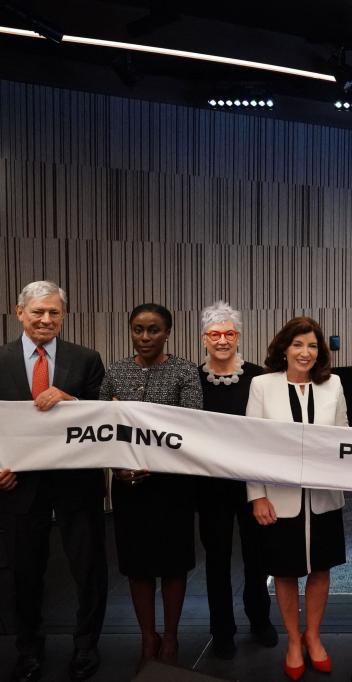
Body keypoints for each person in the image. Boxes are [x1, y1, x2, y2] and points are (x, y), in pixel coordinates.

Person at [0, 281, 107, 682]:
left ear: (63, 315)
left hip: (76, 484)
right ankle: (28, 650)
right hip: (18, 487)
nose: (46, 320)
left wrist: (73, 403)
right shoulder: (1, 359)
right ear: (19, 312)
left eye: (54, 313)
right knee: (25, 574)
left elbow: (103, 417)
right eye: (38, 312)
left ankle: (86, 646)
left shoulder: (86, 359)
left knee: (89, 570)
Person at [100, 303, 203, 670]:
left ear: (168, 333)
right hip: (128, 488)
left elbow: (190, 429)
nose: (145, 337)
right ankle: (147, 636)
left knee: (173, 565)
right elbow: (102, 432)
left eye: (153, 330)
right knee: (137, 566)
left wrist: (153, 461)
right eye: (138, 329)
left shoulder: (185, 372)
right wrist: (120, 468)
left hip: (172, 488)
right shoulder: (115, 372)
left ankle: (171, 636)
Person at [246, 316, 348, 680]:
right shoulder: (262, 385)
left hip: (323, 497)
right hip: (278, 497)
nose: (306, 352)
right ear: (284, 348)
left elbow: (344, 439)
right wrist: (257, 496)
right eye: (298, 344)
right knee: (285, 572)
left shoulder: (333, 385)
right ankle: (293, 640)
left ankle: (314, 637)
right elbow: (251, 445)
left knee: (320, 568)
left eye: (313, 346)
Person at [195, 301, 277, 659]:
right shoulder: (191, 380)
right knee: (215, 558)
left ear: (238, 336)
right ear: (204, 339)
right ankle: (222, 629)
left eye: (229, 333)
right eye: (215, 334)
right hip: (210, 485)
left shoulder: (260, 378)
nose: (223, 340)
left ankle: (259, 619)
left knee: (258, 557)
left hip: (252, 485)